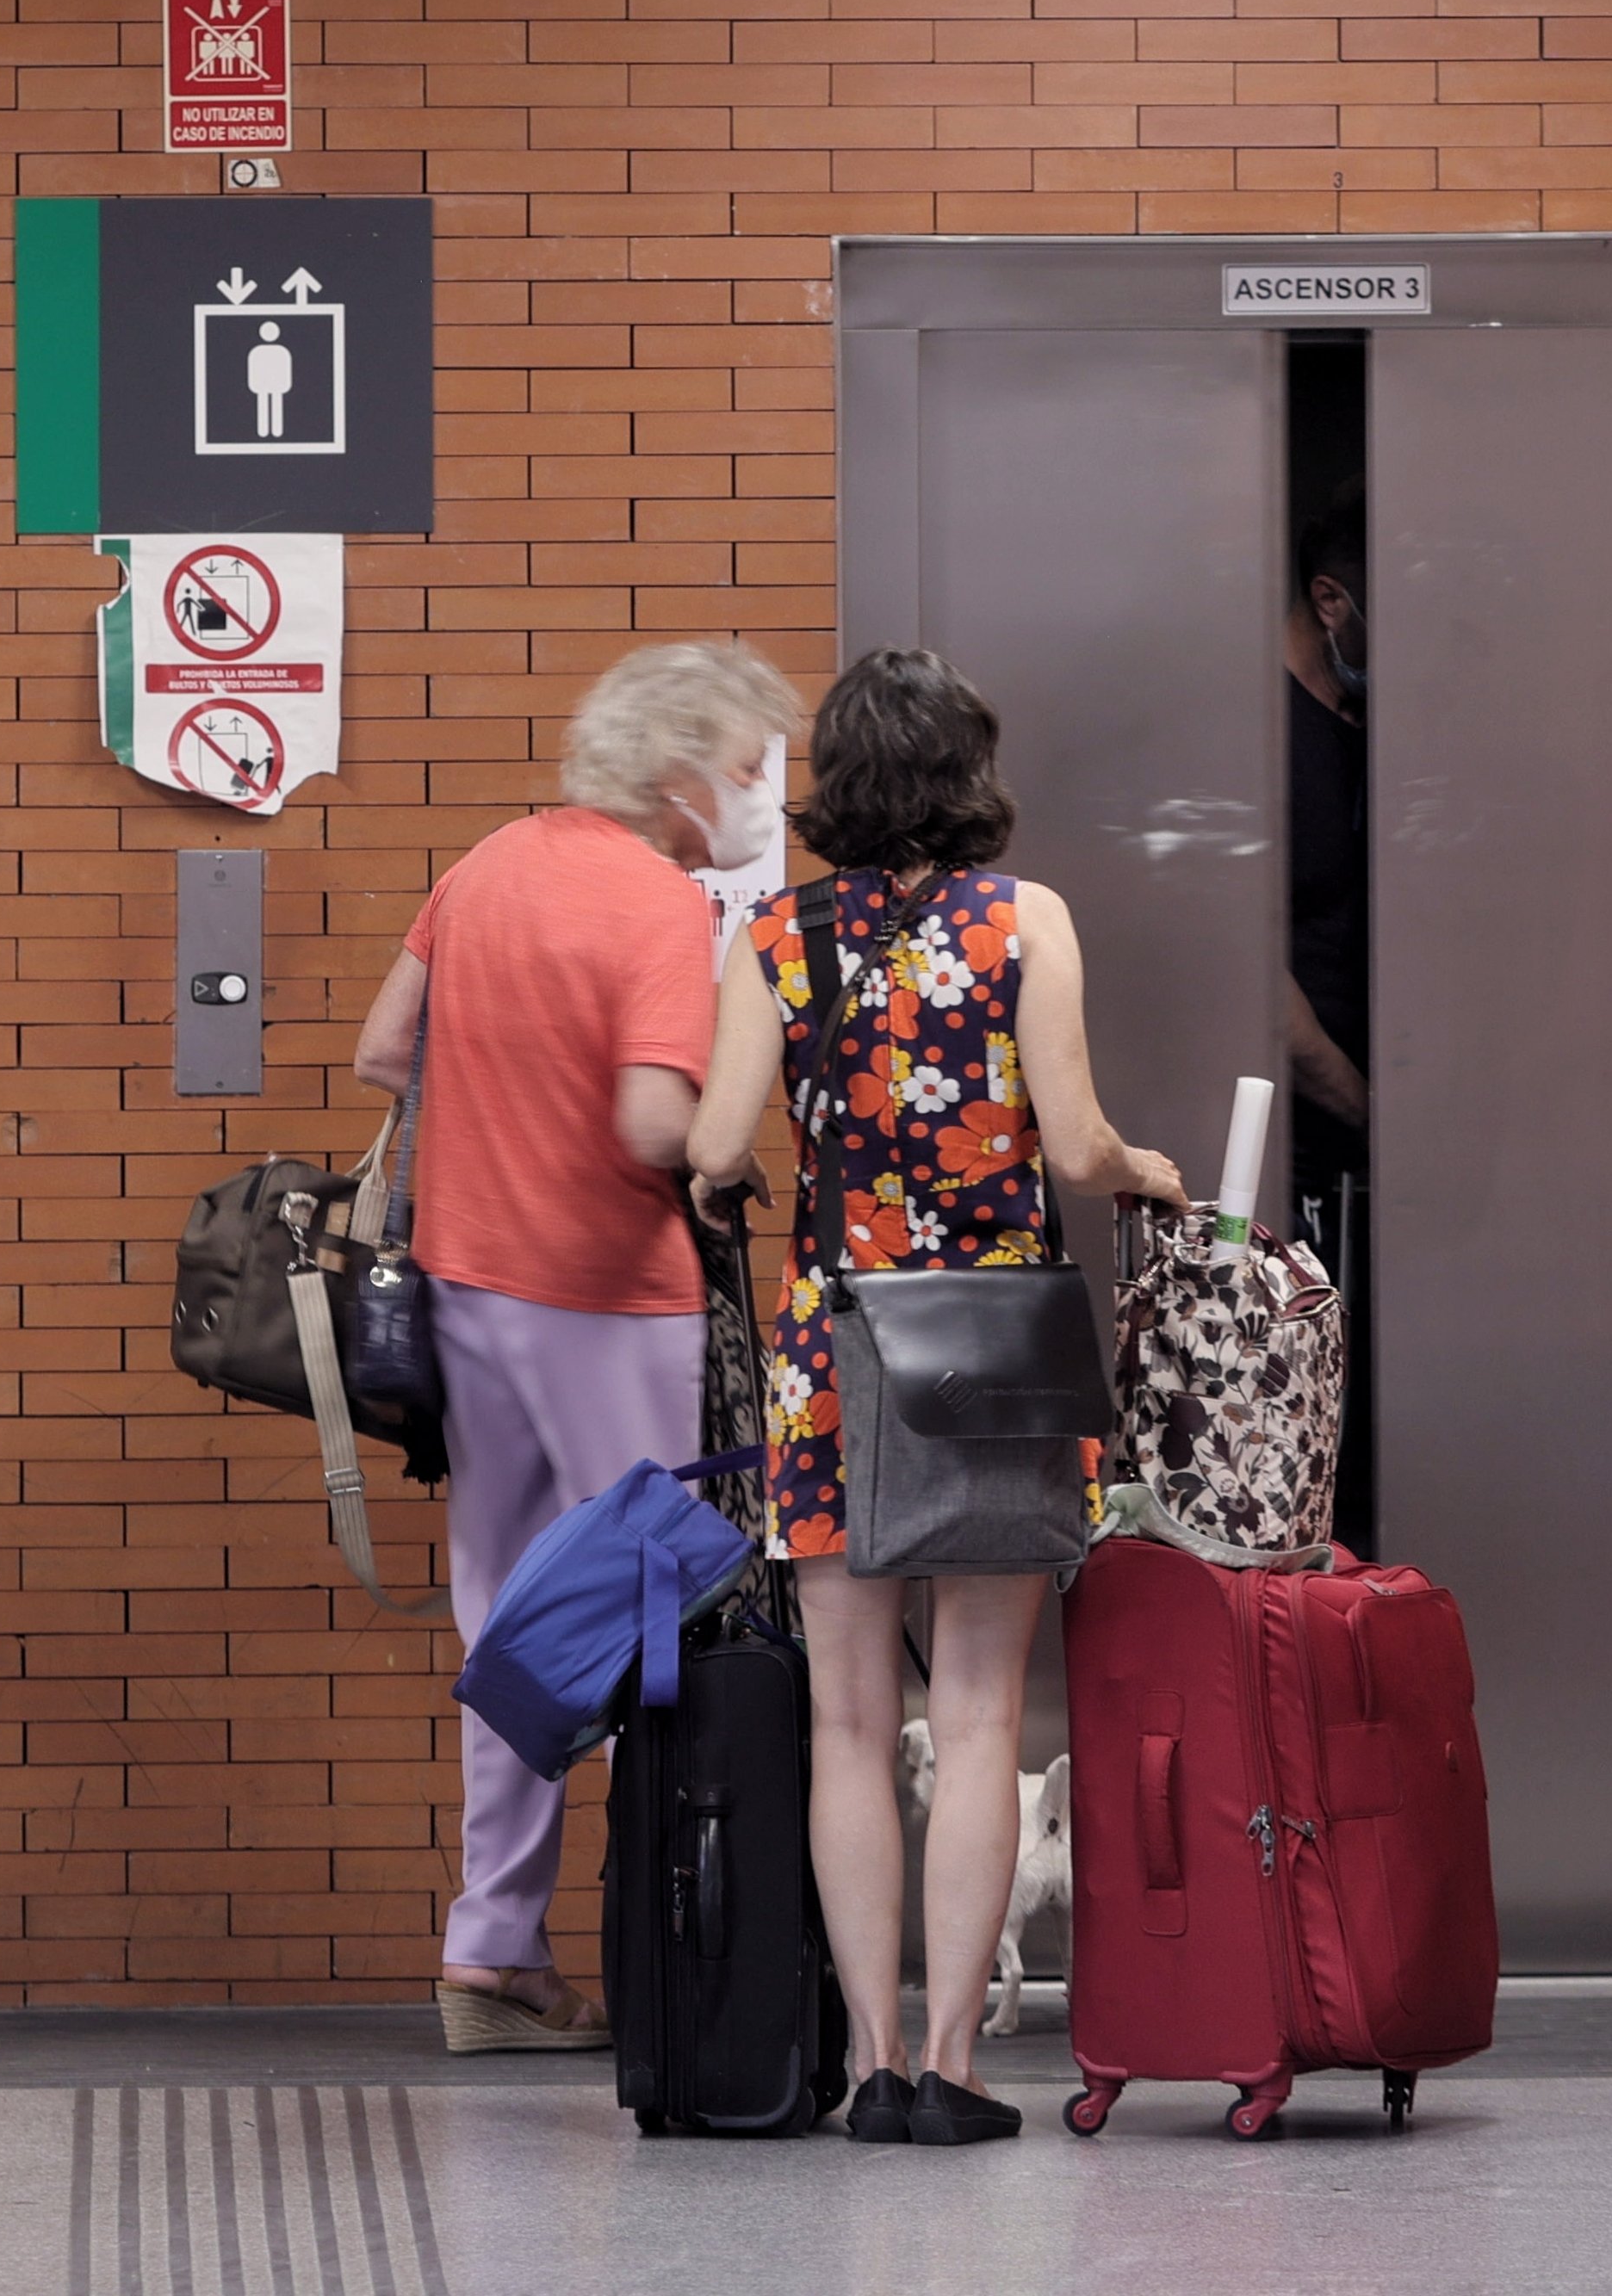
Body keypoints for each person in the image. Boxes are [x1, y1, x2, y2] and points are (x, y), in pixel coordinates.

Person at [683, 647, 1187, 2145]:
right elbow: (1079, 1135)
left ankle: (873, 2056)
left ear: (835, 781)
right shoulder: (1022, 920)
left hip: (830, 1355)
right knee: (974, 1716)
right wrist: (1142, 1169)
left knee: (848, 1720)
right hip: (991, 1356)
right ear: (967, 773)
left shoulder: (777, 934)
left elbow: (713, 1142)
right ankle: (956, 2070)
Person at [351, 637, 803, 2054]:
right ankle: (680, 1945)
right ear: (676, 774)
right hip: (610, 1297)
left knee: (509, 1617)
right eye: (740, 768)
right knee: (659, 1617)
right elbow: (655, 1128)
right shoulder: (660, 906)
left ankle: (492, 1944)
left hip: (466, 1287)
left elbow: (383, 1049)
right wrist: (736, 1126)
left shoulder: (483, 865)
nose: (749, 795)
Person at [1282, 484, 1368, 1183]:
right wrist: (1365, 1111)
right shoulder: (1259, 737)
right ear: (1330, 601)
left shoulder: (1377, 729)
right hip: (1302, 1151)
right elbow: (1252, 975)